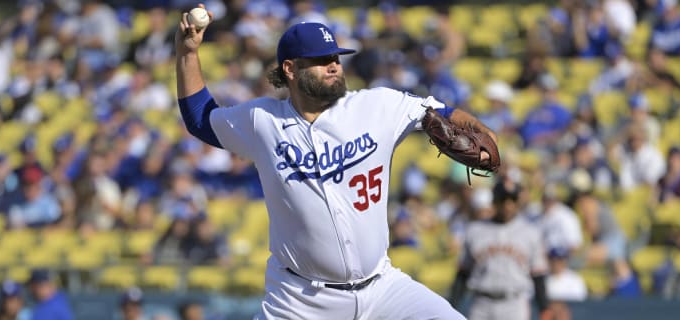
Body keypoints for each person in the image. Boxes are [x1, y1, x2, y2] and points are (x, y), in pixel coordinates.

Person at [175, 5, 496, 318]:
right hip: (300, 300)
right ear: (290, 69)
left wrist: (481, 131)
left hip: (382, 288)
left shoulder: (376, 105)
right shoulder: (262, 120)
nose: (333, 66)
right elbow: (201, 119)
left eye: (335, 58)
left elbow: (439, 113)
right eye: (321, 60)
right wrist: (188, 54)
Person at [455, 179, 550, 320]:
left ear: (517, 202)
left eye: (512, 200)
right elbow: (463, 274)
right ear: (494, 201)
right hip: (482, 302)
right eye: (503, 199)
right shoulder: (475, 230)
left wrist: (544, 308)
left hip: (514, 303)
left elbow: (538, 276)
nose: (507, 205)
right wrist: (452, 304)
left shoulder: (531, 232)